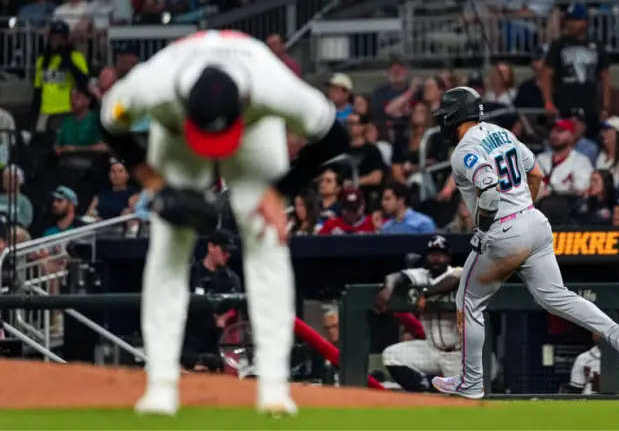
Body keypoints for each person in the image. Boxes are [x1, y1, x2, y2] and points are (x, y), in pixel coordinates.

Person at [99, 29, 351, 416]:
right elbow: (109, 124)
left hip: (252, 131)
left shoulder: (272, 86)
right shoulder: (154, 85)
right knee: (169, 244)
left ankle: (273, 386)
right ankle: (161, 383)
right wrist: (155, 183)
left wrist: (279, 191)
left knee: (267, 240)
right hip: (179, 136)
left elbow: (335, 136)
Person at [430, 87, 619, 399]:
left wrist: (486, 229)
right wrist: (522, 210)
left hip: (503, 231)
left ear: (453, 116)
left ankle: (471, 383)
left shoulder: (464, 150)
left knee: (468, 301)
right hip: (535, 222)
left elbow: (489, 190)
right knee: (556, 297)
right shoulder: (502, 133)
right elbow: (536, 172)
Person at [374, 236, 463, 392]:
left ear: (448, 257)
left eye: (441, 254)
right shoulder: (421, 274)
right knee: (392, 355)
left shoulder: (457, 272)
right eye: (433, 254)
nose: (436, 259)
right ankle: (422, 392)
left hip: (459, 354)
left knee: (463, 401)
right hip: (432, 350)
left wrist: (426, 294)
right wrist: (388, 289)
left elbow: (455, 280)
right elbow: (395, 277)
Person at [542, 3, 610, 138]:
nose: (570, 24)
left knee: (591, 141)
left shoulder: (597, 46)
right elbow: (546, 75)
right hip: (564, 106)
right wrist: (548, 102)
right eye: (568, 20)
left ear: (585, 22)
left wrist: (606, 106)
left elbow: (605, 77)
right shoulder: (558, 45)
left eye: (575, 20)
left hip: (590, 106)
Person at [183, 229, 242, 373]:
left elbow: (237, 308)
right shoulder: (191, 273)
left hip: (217, 344)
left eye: (229, 252)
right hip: (189, 342)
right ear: (211, 247)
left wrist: (225, 317)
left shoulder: (231, 279)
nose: (227, 255)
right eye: (224, 250)